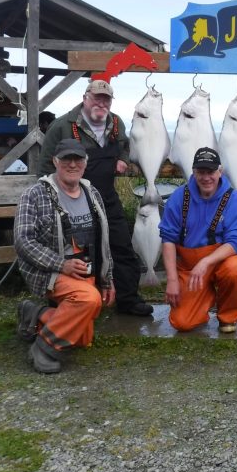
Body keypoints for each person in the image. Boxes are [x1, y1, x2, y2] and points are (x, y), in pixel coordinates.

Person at [40, 79, 153, 316]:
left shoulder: (115, 122)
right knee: (77, 252)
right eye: (97, 98)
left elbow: (124, 144)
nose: (101, 103)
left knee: (122, 246)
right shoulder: (61, 126)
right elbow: (44, 167)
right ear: (85, 98)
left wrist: (122, 158)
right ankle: (74, 301)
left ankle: (127, 299)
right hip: (72, 201)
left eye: (106, 99)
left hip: (107, 198)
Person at [14, 139, 115, 373]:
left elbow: (104, 241)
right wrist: (62, 264)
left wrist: (107, 279)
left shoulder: (93, 193)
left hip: (85, 271)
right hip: (48, 272)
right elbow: (23, 241)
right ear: (55, 162)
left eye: (78, 159)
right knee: (88, 300)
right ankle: (44, 347)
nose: (72, 164)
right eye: (66, 159)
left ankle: (36, 314)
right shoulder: (34, 194)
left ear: (85, 163)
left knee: (82, 337)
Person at [159, 147, 237, 333]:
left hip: (221, 261)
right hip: (190, 269)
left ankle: (228, 316)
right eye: (201, 172)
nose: (206, 177)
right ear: (193, 172)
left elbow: (236, 240)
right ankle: (205, 296)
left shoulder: (234, 199)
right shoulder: (178, 197)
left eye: (211, 172)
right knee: (182, 323)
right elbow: (168, 239)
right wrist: (172, 279)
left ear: (220, 171)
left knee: (236, 269)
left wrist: (206, 261)